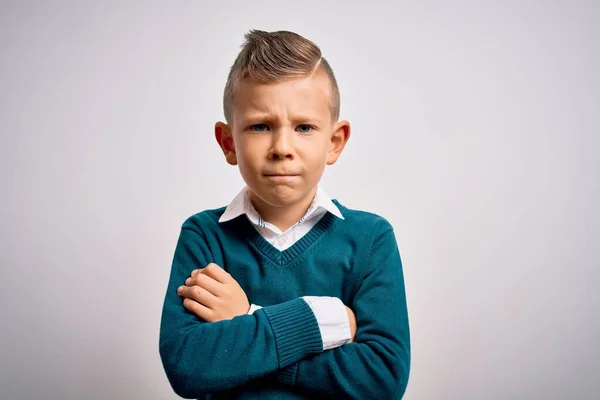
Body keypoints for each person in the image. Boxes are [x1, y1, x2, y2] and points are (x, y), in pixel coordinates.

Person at [159, 29, 411, 399]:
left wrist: (246, 317)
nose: (282, 148)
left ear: (334, 142)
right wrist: (322, 322)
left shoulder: (370, 238)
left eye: (304, 128)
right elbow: (187, 366)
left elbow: (382, 379)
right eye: (260, 126)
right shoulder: (203, 235)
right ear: (229, 143)